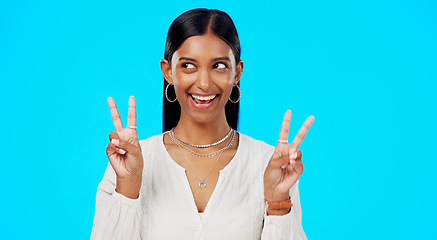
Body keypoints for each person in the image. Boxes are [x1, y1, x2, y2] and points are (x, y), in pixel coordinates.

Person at [91, 8, 314, 240]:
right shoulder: (131, 163)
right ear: (168, 71)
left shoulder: (270, 164)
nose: (204, 83)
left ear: (237, 73)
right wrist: (128, 187)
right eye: (188, 65)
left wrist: (277, 204)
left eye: (218, 65)